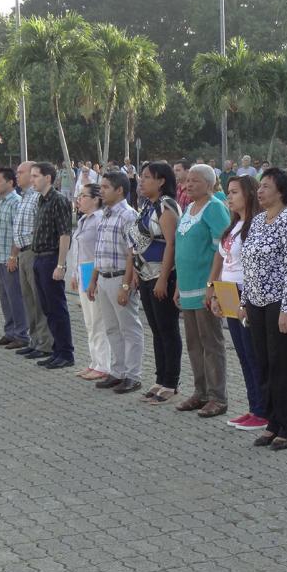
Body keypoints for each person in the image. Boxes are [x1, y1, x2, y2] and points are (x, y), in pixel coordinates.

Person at [240, 167, 287, 451]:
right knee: (264, 362)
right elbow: (249, 264)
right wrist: (244, 302)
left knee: (283, 364)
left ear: (281, 191)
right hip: (256, 300)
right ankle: (272, 422)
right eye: (261, 186)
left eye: (266, 186)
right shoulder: (257, 221)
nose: (260, 190)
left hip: (282, 302)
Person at [206, 175, 267, 430]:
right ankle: (254, 407)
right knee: (242, 353)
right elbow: (221, 260)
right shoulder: (233, 225)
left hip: (247, 293)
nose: (228, 197)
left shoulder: (256, 225)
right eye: (228, 192)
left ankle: (263, 410)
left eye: (234, 193)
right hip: (229, 290)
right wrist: (214, 290)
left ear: (249, 194)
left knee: (254, 354)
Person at [173, 164, 231, 417]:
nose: (188, 185)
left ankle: (218, 397)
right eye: (187, 181)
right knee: (194, 343)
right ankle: (201, 391)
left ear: (209, 184)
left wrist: (213, 287)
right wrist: (177, 285)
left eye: (194, 181)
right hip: (186, 286)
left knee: (212, 342)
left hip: (205, 287)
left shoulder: (215, 208)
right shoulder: (188, 208)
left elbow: (223, 250)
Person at [129, 162, 183, 404]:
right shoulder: (146, 206)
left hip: (163, 275)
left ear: (161, 181)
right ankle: (160, 378)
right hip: (145, 275)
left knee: (168, 330)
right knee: (157, 330)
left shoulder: (166, 206)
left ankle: (171, 382)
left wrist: (163, 279)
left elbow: (171, 244)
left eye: (147, 177)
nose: (141, 181)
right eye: (141, 176)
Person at [87, 171, 143, 393]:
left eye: (106, 187)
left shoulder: (128, 215)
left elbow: (132, 253)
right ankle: (117, 372)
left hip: (120, 277)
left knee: (129, 329)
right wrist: (93, 280)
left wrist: (126, 285)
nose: (101, 190)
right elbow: (99, 253)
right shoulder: (105, 214)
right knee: (111, 328)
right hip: (103, 278)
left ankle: (133, 375)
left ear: (119, 190)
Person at [30, 162, 75, 369]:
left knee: (57, 307)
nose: (32, 180)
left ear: (48, 178)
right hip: (39, 257)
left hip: (51, 258)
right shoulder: (41, 200)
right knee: (47, 307)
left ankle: (66, 353)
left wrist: (61, 264)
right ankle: (57, 350)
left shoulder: (59, 200)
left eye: (36, 176)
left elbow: (65, 233)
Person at [12, 161, 54, 359]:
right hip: (23, 253)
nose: (16, 175)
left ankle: (46, 343)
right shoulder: (24, 197)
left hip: (35, 253)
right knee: (29, 300)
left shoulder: (38, 198)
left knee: (39, 301)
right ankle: (35, 340)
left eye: (21, 172)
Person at [69, 182, 110, 382]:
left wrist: (89, 276)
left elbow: (99, 251)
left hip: (94, 271)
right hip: (83, 270)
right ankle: (94, 361)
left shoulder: (100, 219)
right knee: (89, 321)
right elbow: (78, 250)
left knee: (98, 320)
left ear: (96, 199)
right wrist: (75, 275)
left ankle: (104, 364)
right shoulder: (84, 219)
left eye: (84, 196)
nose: (79, 199)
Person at [0, 167, 29, 349]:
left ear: (10, 182)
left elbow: (18, 233)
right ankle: (10, 332)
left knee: (16, 298)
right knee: (5, 298)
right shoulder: (2, 202)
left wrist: (13, 256)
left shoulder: (16, 202)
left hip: (10, 259)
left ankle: (21, 334)